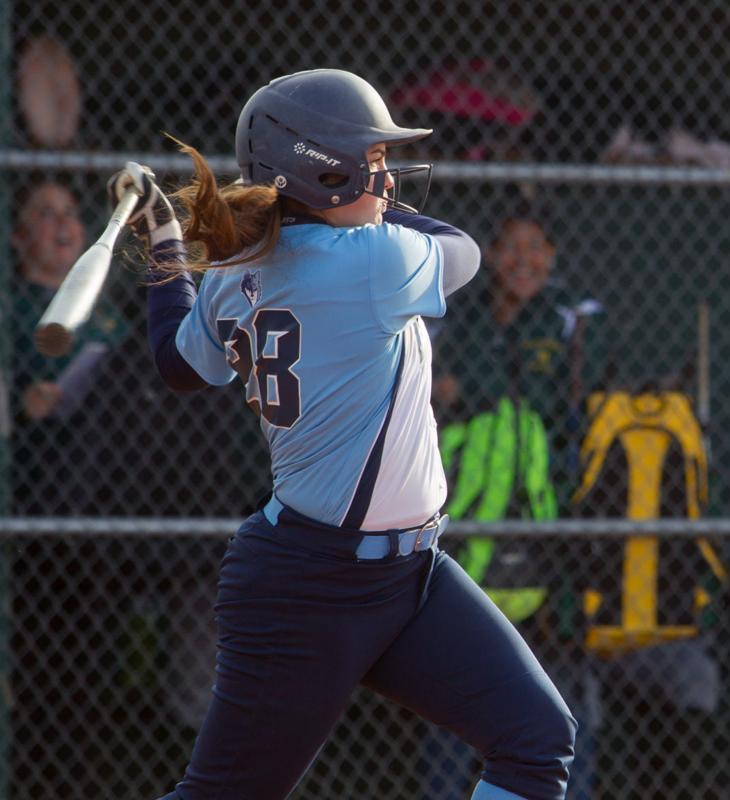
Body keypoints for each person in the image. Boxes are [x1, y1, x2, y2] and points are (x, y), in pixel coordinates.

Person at [109, 69, 575, 800]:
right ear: (319, 171)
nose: (387, 181)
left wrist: (169, 250)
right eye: (372, 163)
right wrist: (345, 213)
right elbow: (465, 250)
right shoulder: (374, 260)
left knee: (535, 740)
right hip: (312, 583)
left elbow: (178, 364)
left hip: (410, 576)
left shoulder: (237, 272)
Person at [427, 205, 606, 798]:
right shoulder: (465, 314)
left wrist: (471, 393)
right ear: (490, 256)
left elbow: (567, 410)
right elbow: (438, 389)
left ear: (552, 256)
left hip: (549, 528)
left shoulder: (571, 319)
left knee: (559, 689)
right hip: (470, 519)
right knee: (461, 687)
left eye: (536, 248)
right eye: (510, 247)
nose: (522, 261)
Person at [10, 177, 128, 513]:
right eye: (46, 214)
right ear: (18, 236)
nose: (63, 223)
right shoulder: (12, 307)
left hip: (109, 454)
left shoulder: (103, 311)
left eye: (70, 213)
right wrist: (24, 404)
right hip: (45, 461)